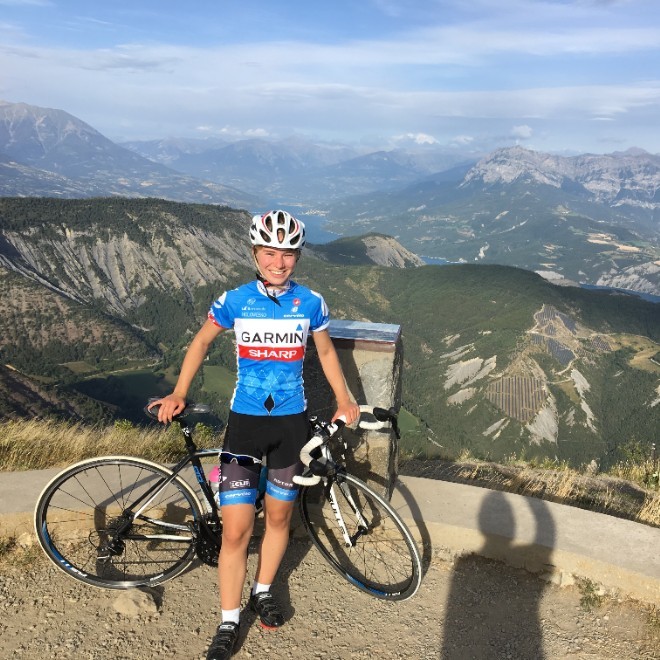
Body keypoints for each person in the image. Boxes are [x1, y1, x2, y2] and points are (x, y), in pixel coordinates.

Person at [149, 210, 360, 660]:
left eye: (287, 254)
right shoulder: (234, 300)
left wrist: (344, 399)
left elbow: (325, 352)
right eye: (269, 252)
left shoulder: (312, 303)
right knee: (236, 532)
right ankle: (228, 620)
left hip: (290, 427)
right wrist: (179, 391)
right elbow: (201, 341)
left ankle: (262, 591)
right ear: (254, 254)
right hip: (245, 427)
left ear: (297, 257)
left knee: (280, 520)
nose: (278, 262)